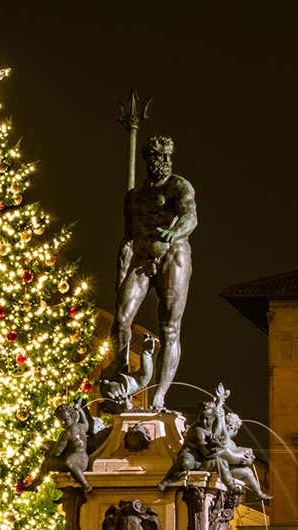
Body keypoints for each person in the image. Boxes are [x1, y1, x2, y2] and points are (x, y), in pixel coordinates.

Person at [107, 135, 197, 410]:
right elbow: (128, 237)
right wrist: (121, 270)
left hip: (174, 256)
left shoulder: (178, 187)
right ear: (149, 160)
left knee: (169, 327)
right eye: (161, 158)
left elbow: (191, 217)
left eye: (169, 157)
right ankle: (121, 374)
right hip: (143, 257)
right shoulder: (134, 197)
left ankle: (159, 396)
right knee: (121, 319)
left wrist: (172, 234)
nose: (166, 162)